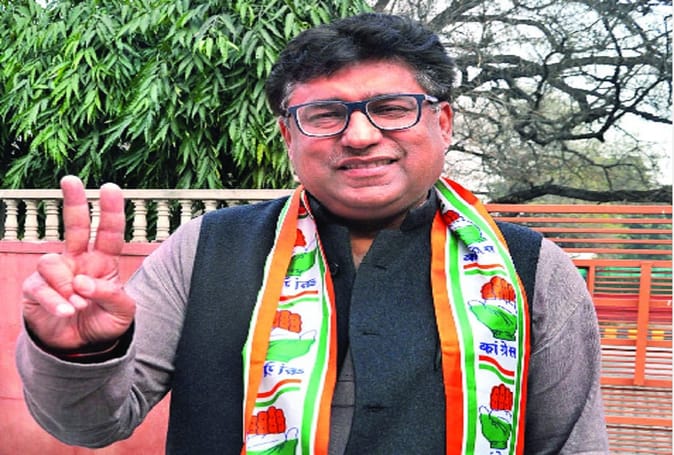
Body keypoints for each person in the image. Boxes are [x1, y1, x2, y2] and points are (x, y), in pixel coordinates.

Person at [16, 12, 609, 454]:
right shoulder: (205, 250)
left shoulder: (530, 269)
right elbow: (90, 425)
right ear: (288, 136)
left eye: (392, 108)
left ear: (443, 121)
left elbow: (572, 445)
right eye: (325, 115)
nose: (360, 136)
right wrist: (78, 351)